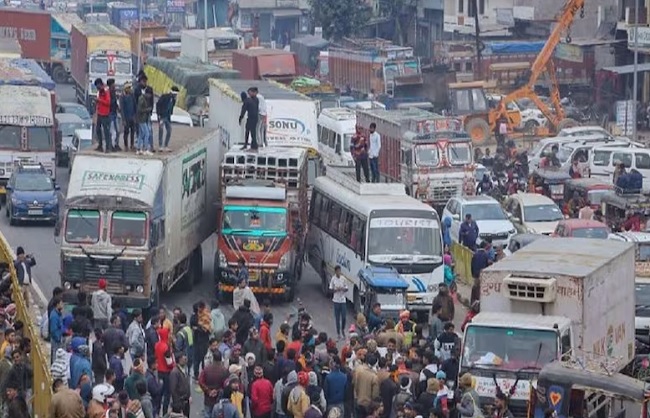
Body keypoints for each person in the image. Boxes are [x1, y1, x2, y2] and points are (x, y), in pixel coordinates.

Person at [156, 86, 179, 151]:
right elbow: (158, 104)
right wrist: (158, 114)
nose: (176, 96)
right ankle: (160, 146)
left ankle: (166, 145)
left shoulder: (174, 100)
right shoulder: (164, 96)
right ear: (172, 93)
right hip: (162, 116)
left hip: (168, 117)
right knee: (161, 130)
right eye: (175, 94)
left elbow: (171, 107)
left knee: (169, 130)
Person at [329, 265, 348, 340]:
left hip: (343, 300)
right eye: (337, 271)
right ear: (335, 271)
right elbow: (330, 289)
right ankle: (338, 333)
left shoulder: (343, 279)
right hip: (336, 300)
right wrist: (335, 290)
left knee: (343, 317)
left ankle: (342, 329)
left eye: (340, 271)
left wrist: (342, 288)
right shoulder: (333, 279)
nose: (339, 272)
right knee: (337, 318)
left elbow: (346, 288)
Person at [170, 351, 191, 417]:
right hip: (180, 403)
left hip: (186, 401)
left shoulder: (184, 369)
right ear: (179, 360)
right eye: (183, 358)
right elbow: (173, 389)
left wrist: (189, 395)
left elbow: (187, 384)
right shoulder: (175, 372)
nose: (185, 359)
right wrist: (178, 404)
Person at [94, 77, 112, 152]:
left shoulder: (106, 91)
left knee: (106, 131)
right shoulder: (100, 92)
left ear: (100, 84)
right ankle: (100, 145)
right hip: (100, 113)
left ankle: (108, 147)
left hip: (105, 114)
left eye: (97, 86)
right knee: (98, 130)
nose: (97, 88)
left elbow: (108, 102)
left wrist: (99, 100)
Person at [137, 87, 154, 155]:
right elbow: (139, 109)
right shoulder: (142, 99)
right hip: (142, 119)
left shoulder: (145, 98)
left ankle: (139, 149)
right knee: (147, 133)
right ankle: (145, 149)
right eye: (149, 95)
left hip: (144, 119)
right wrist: (147, 110)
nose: (150, 96)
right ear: (147, 93)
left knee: (141, 134)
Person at [120, 82, 137, 150]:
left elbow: (135, 106)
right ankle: (126, 145)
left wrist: (135, 116)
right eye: (128, 88)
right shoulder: (122, 97)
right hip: (126, 117)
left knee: (133, 131)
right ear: (125, 89)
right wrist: (123, 119)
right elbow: (122, 109)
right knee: (126, 132)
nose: (130, 89)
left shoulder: (132, 95)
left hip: (132, 116)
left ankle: (132, 145)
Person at [106, 78, 121, 150]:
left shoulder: (114, 93)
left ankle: (116, 144)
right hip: (110, 113)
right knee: (112, 131)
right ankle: (111, 145)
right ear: (110, 85)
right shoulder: (108, 93)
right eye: (113, 84)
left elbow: (115, 103)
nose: (114, 85)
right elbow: (109, 103)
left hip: (114, 113)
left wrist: (118, 108)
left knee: (118, 130)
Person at [49, 297, 64, 364]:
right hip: (56, 339)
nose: (62, 305)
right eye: (61, 303)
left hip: (58, 337)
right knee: (55, 355)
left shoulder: (58, 314)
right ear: (57, 304)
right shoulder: (54, 316)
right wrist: (58, 338)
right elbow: (53, 329)